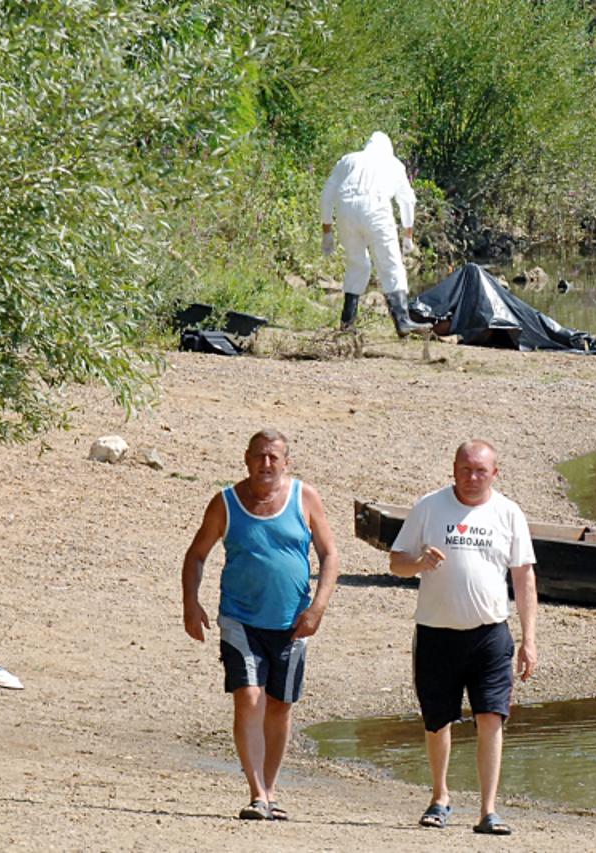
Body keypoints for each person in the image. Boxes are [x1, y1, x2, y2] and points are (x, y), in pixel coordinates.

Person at [181, 429, 340, 821]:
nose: (266, 464)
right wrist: (190, 602)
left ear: (286, 462)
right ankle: (256, 794)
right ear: (246, 459)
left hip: (293, 621)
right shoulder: (226, 503)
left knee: (280, 705)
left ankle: (269, 789)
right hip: (240, 619)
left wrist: (318, 607)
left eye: (273, 457)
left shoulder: (305, 497)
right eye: (259, 456)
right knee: (249, 697)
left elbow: (330, 554)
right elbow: (197, 555)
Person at [389, 439, 538, 836]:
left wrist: (530, 639)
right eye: (465, 469)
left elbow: (524, 578)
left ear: (495, 473)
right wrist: (420, 563)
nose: (472, 478)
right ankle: (440, 797)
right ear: (453, 469)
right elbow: (396, 561)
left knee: (491, 716)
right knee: (438, 720)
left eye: (480, 471)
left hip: (490, 633)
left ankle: (488, 810)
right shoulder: (429, 506)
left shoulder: (508, 512)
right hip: (436, 631)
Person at [320, 131, 430, 336]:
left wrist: (327, 231)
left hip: (345, 210)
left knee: (357, 263)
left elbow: (327, 195)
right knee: (391, 265)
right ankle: (403, 321)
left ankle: (347, 323)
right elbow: (407, 200)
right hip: (376, 209)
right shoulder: (393, 164)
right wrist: (408, 235)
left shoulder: (348, 160)